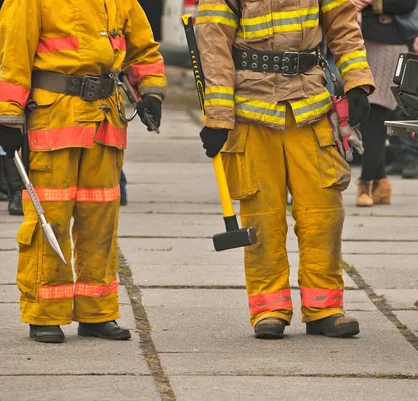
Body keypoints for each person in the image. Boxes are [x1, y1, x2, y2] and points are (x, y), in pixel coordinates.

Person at [196, 0, 374, 339]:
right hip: (252, 108)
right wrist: (218, 116)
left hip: (309, 104)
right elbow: (213, 43)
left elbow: (344, 25)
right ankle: (269, 309)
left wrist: (357, 83)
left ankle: (324, 308)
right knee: (261, 217)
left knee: (324, 213)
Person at [0, 0, 166, 343]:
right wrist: (7, 114)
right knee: (51, 217)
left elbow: (143, 49)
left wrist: (151, 92)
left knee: (100, 217)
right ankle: (45, 314)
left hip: (105, 120)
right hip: (53, 118)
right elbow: (11, 54)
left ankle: (97, 312)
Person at [352, 0, 418, 206]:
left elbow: (407, 3)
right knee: (365, 117)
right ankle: (381, 184)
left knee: (376, 115)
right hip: (355, 45)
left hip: (388, 44)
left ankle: (366, 183)